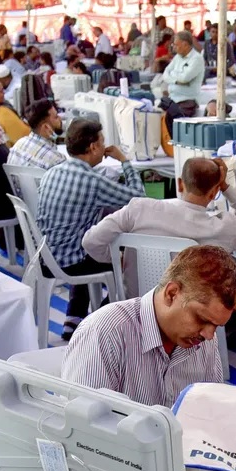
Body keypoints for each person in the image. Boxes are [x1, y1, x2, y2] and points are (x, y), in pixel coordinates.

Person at [63, 246, 236, 407]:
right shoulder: (105, 332)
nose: (209, 335)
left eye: (216, 326)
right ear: (172, 294)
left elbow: (209, 411)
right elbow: (83, 429)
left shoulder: (203, 339)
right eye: (201, 319)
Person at [38, 120, 147, 335]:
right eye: (102, 141)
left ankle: (74, 316)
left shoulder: (52, 172)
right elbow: (139, 197)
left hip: (46, 257)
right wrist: (124, 160)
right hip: (71, 262)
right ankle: (100, 318)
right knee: (127, 258)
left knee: (87, 239)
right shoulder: (91, 181)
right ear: (93, 147)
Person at [83, 158, 236, 263]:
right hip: (188, 318)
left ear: (179, 184)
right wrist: (225, 186)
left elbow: (90, 241)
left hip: (137, 309)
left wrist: (118, 259)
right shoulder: (224, 228)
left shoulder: (138, 209)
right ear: (214, 193)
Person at [162, 30, 206, 130]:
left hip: (187, 101)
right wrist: (177, 79)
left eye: (176, 45)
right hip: (172, 99)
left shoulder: (196, 59)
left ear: (185, 44)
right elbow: (165, 73)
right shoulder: (178, 57)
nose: (173, 47)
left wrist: (173, 76)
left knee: (173, 123)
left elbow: (185, 78)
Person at [8, 100, 64, 170]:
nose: (60, 118)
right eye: (56, 117)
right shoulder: (57, 160)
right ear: (46, 127)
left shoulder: (16, 147)